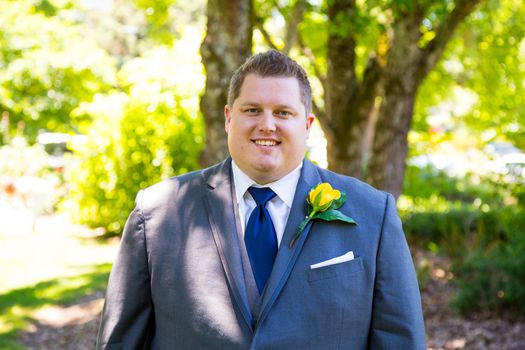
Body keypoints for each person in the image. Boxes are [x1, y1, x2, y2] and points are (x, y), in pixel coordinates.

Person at [96, 50, 426, 349]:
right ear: (228, 118)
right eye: (252, 110)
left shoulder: (373, 215)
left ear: (307, 125)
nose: (267, 125)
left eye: (283, 113)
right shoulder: (156, 214)